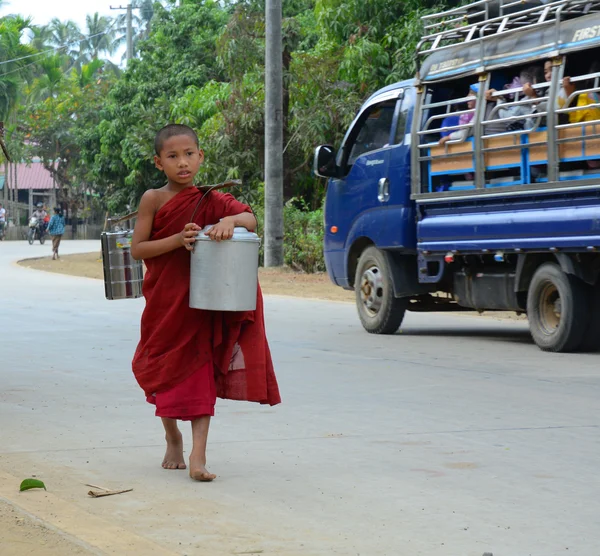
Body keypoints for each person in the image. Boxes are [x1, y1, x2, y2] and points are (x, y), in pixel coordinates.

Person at [130, 124, 281, 482]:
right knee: (162, 370)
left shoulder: (211, 198)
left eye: (189, 154)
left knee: (198, 373)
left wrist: (228, 221)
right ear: (158, 162)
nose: (182, 163)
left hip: (200, 303)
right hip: (165, 302)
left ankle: (199, 455)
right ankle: (172, 436)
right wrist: (175, 240)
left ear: (200, 156)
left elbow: (250, 218)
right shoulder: (153, 198)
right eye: (172, 156)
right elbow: (138, 248)